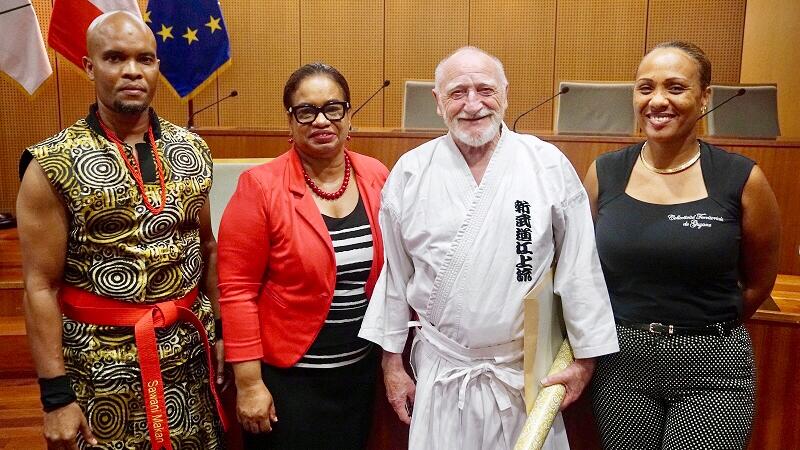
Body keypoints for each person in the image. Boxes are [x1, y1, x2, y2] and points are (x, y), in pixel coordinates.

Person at [358, 46, 619, 450]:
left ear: (506, 93)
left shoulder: (546, 165)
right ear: (438, 101)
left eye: (485, 89)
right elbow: (395, 278)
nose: (473, 104)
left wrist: (585, 361)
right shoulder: (410, 173)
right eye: (458, 92)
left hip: (524, 375)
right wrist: (392, 363)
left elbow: (579, 267)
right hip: (444, 373)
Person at [17, 11, 226, 450]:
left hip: (191, 360)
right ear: (90, 66)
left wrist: (223, 334)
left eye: (144, 59)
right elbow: (39, 285)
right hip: (100, 370)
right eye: (115, 58)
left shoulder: (193, 148)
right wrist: (55, 398)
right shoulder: (52, 163)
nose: (132, 71)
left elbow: (207, 247)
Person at [585, 41, 781, 449]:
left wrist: (701, 324)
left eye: (675, 87)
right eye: (645, 88)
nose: (658, 101)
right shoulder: (605, 173)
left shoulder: (742, 178)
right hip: (622, 366)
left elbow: (759, 283)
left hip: (713, 366)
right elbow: (581, 271)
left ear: (704, 96)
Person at [216, 63, 389, 449]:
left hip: (357, 374)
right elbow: (237, 291)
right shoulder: (260, 187)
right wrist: (248, 384)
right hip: (288, 381)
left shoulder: (375, 174)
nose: (321, 120)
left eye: (333, 108)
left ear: (349, 116)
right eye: (306, 111)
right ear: (290, 122)